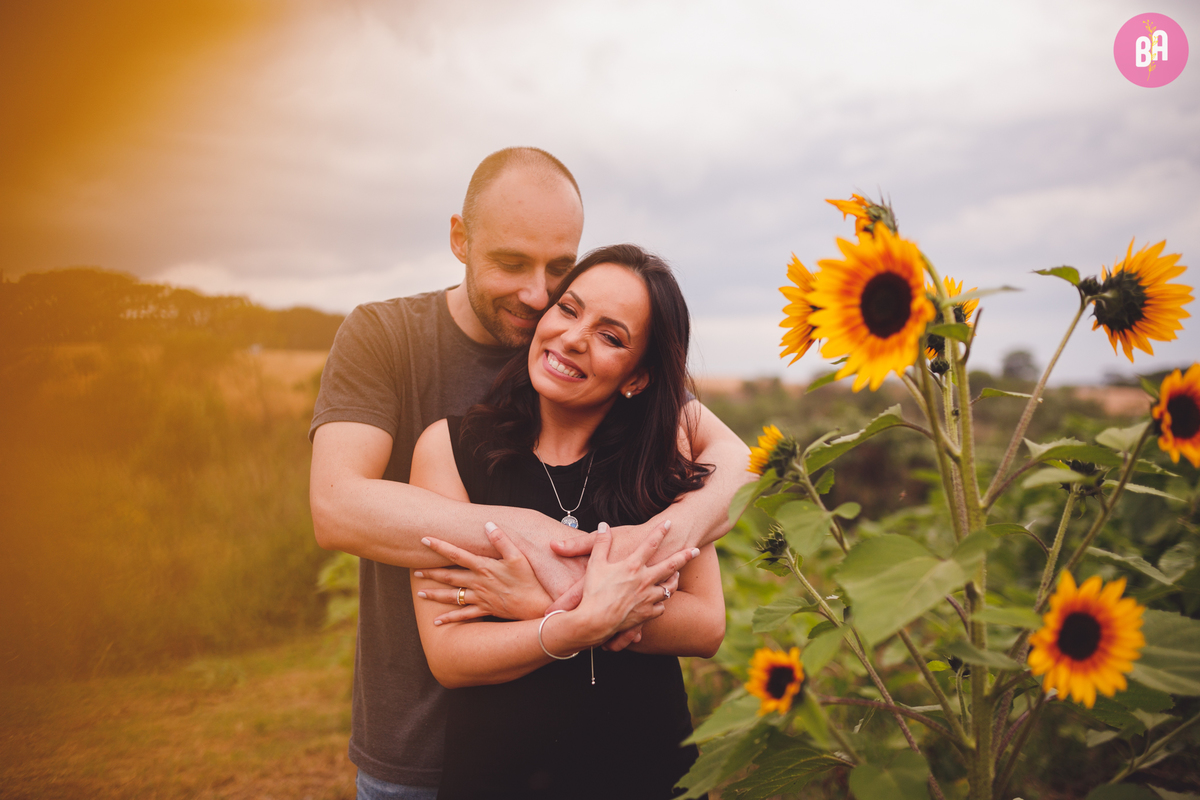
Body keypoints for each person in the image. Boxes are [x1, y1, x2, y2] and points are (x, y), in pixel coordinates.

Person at [309, 148, 750, 799]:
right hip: (421, 744)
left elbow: (737, 465)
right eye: (512, 264)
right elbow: (337, 506)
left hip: (613, 756)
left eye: (559, 271)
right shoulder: (388, 338)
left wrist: (639, 547)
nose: (538, 295)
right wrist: (548, 547)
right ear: (460, 239)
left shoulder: (611, 386)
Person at [410, 245, 728, 799]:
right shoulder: (449, 448)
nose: (574, 337)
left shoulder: (661, 459)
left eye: (611, 336)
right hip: (499, 778)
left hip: (646, 774)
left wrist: (536, 603)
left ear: (638, 377)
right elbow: (451, 658)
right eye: (568, 309)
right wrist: (581, 622)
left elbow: (704, 625)